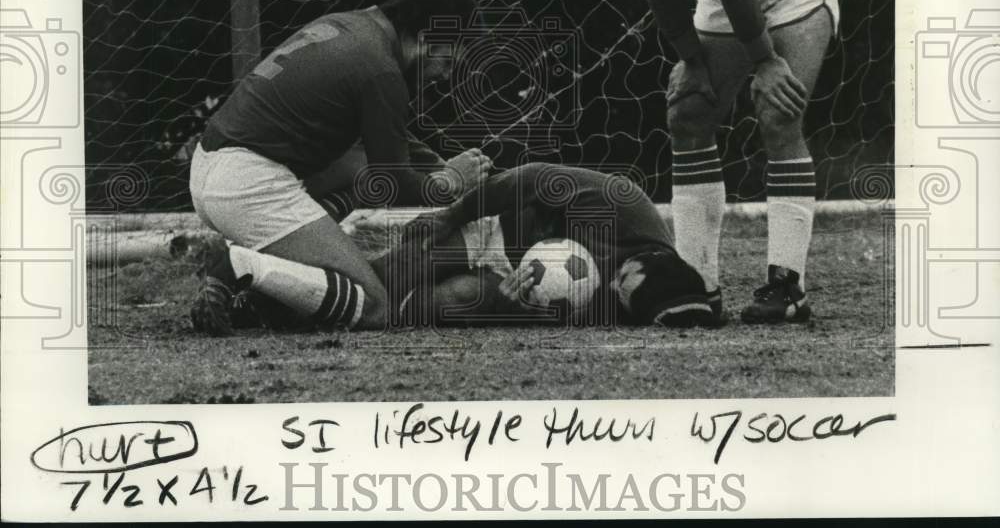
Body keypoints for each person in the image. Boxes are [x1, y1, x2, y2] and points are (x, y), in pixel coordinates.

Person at [569, 0, 840, 323]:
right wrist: (691, 58)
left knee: (778, 112)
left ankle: (788, 289)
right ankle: (696, 286)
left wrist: (764, 61)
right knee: (689, 112)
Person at [189, 0, 491, 334]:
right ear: (430, 37)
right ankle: (240, 266)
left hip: (211, 167)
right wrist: (452, 182)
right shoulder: (382, 71)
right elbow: (394, 183)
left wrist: (440, 165)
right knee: (377, 306)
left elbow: (385, 146)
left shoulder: (350, 27)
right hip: (249, 184)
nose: (443, 76)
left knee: (357, 172)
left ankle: (258, 297)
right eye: (447, 61)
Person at [189, 162, 717, 333]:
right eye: (623, 278)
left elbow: (561, 308)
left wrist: (522, 303)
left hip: (505, 276)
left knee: (414, 314)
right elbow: (525, 178)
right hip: (488, 227)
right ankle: (243, 277)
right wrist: (450, 216)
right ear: (652, 257)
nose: (614, 287)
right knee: (378, 284)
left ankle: (261, 300)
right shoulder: (626, 205)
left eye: (621, 297)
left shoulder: (638, 301)